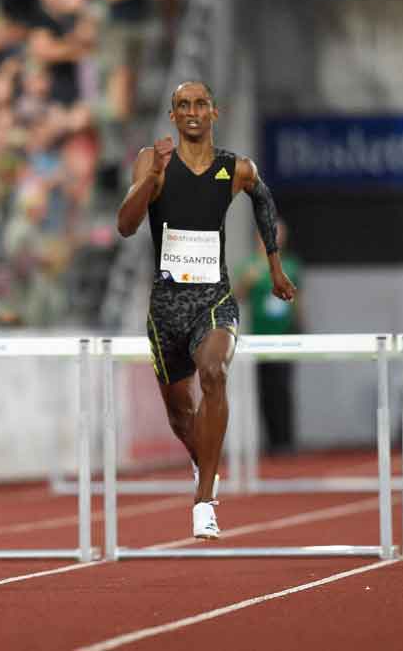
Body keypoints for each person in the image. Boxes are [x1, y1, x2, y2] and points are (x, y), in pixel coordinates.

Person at [117, 81, 296, 539]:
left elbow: (263, 199)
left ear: (214, 112)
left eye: (199, 104)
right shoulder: (151, 160)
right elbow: (125, 225)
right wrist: (150, 179)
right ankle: (207, 468)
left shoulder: (235, 168)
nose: (192, 112)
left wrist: (273, 266)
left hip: (213, 299)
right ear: (173, 116)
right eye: (182, 106)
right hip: (166, 306)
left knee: (214, 372)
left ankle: (203, 502)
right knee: (181, 415)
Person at [234, 220, 303, 456]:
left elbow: (298, 300)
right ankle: (271, 442)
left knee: (283, 386)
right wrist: (247, 281)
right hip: (259, 335)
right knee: (264, 389)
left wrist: (301, 326)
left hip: (285, 333)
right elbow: (238, 297)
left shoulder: (291, 265)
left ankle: (286, 440)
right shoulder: (250, 266)